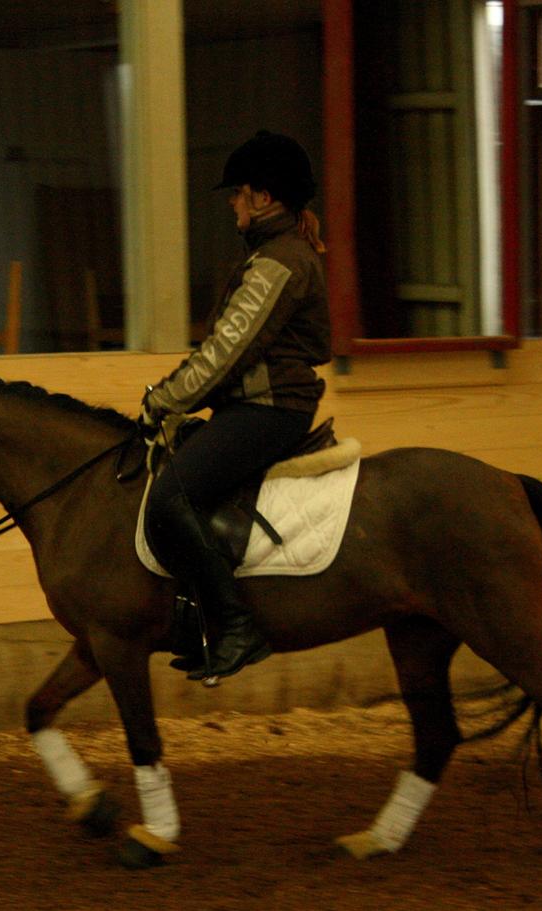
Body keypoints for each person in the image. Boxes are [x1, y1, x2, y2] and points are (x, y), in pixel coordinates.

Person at [141, 130, 332, 683]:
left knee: (170, 499)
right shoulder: (274, 254)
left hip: (269, 411)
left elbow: (226, 350)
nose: (232, 202)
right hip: (254, 407)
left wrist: (164, 400)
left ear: (264, 198)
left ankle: (237, 626)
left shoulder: (280, 262)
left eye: (238, 192)